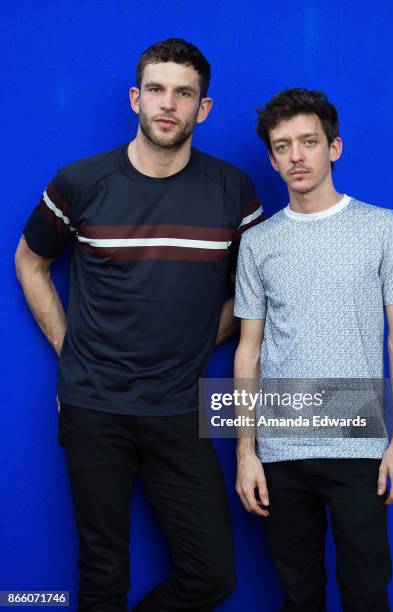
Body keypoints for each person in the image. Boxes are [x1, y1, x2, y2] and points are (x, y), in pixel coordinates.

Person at [15, 38, 263, 611]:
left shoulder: (232, 190)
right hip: (92, 408)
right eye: (156, 90)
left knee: (212, 577)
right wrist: (69, 348)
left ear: (203, 108)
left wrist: (200, 339)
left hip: (178, 411)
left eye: (184, 93)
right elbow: (30, 260)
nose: (167, 104)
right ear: (135, 98)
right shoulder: (80, 183)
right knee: (103, 580)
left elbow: (256, 293)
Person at [234, 88, 393, 611]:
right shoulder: (259, 242)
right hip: (280, 450)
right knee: (299, 597)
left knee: (367, 595)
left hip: (359, 447)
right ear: (272, 158)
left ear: (333, 148)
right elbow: (248, 350)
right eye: (282, 146)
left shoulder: (383, 227)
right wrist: (245, 453)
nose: (296, 156)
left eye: (308, 142)